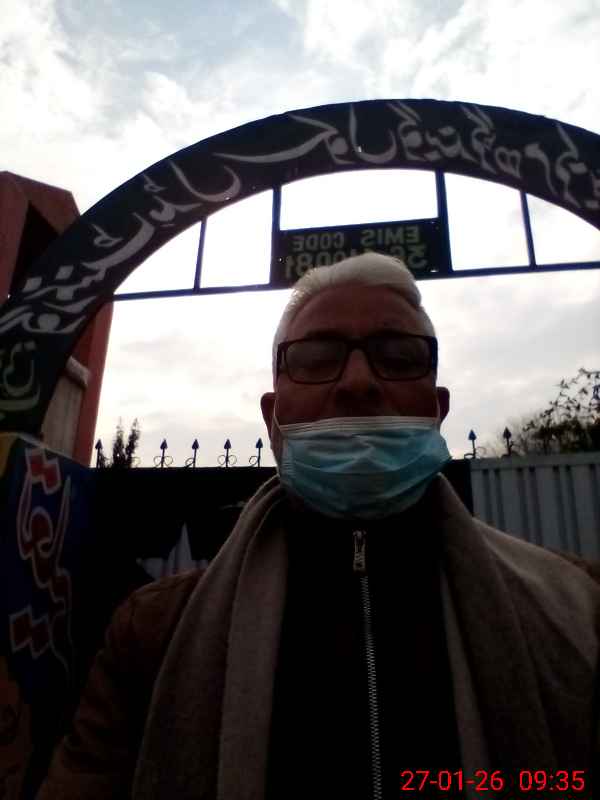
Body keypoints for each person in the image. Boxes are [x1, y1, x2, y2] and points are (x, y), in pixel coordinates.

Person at [38, 253, 600, 800]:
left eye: (398, 356)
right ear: (272, 418)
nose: (358, 382)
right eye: (314, 358)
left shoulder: (581, 611)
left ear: (437, 408)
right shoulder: (152, 633)